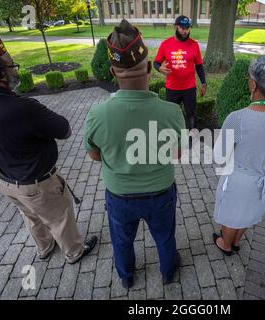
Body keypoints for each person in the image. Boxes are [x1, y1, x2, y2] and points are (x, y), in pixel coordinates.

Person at [0, 28, 97, 264]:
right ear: (1, 74)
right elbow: (65, 130)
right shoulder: (25, 107)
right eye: (12, 66)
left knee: (31, 216)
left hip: (7, 181)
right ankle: (74, 252)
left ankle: (44, 248)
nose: (14, 69)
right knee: (59, 217)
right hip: (38, 183)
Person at [84, 20, 185, 289]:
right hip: (161, 192)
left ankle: (127, 278)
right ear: (150, 68)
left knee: (121, 240)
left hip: (119, 195)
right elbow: (176, 154)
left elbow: (94, 155)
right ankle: (167, 272)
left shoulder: (97, 115)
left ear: (113, 72)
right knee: (165, 238)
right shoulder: (172, 112)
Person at [212, 55, 265, 255]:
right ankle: (238, 240)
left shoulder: (238, 118)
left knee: (232, 215)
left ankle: (226, 244)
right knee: (250, 211)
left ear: (253, 84)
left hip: (242, 179)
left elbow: (220, 155)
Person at [154, 15, 206, 129]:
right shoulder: (165, 44)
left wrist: (203, 83)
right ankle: (174, 137)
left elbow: (199, 66)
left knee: (191, 114)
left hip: (189, 88)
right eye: (182, 28)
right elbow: (156, 63)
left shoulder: (194, 45)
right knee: (172, 115)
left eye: (187, 28)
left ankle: (192, 136)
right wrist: (159, 68)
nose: (185, 31)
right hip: (172, 88)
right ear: (175, 27)